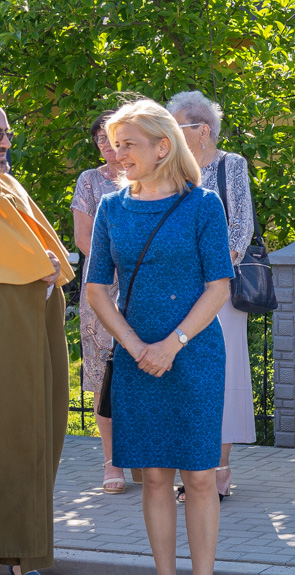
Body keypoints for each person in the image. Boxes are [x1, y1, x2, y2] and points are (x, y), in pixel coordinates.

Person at [86, 99, 233, 574]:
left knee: (201, 476)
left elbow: (219, 287)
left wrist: (172, 345)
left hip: (194, 354)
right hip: (137, 357)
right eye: (114, 143)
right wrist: (135, 347)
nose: (117, 152)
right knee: (152, 477)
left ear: (162, 146)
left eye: (128, 144)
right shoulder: (111, 208)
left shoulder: (203, 204)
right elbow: (95, 289)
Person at [167, 90, 255, 502]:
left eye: (176, 126)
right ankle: (191, 469)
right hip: (177, 292)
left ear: (203, 131)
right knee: (185, 380)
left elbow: (241, 227)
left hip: (219, 291)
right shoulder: (170, 171)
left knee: (223, 379)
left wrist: (211, 275)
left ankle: (217, 470)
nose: (167, 135)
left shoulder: (230, 166)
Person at [1, 162, 74, 573]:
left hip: (27, 331)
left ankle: (16, 555)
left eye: (7, 132)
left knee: (30, 433)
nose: (5, 142)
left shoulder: (9, 185)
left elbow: (49, 264)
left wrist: (39, 267)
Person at [72, 109, 137, 494]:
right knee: (103, 376)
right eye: (99, 140)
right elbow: (83, 239)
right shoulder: (89, 181)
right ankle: (112, 462)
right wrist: (114, 272)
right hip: (102, 289)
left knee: (144, 370)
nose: (105, 146)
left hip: (143, 288)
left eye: (110, 139)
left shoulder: (150, 178)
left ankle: (145, 456)